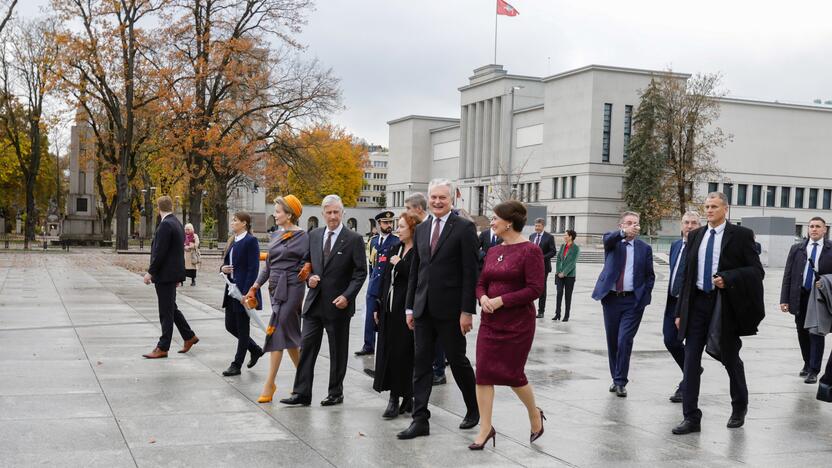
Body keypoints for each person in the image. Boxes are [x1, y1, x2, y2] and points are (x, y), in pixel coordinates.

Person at [672, 192, 765, 435]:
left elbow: (756, 272)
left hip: (724, 306)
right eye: (707, 206)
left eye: (714, 206)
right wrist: (680, 310)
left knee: (730, 358)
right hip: (697, 306)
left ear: (726, 209)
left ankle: (739, 406)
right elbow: (687, 276)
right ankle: (691, 417)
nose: (709, 210)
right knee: (691, 361)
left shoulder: (741, 236)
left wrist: (729, 278)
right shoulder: (695, 236)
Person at [397, 178, 479, 440]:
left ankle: (473, 408)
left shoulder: (464, 228)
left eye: (442, 197)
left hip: (451, 312)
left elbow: (470, 272)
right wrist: (410, 307)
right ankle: (420, 418)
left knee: (457, 361)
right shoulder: (422, 229)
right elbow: (416, 273)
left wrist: (467, 311)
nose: (437, 202)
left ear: (451, 198)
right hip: (423, 310)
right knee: (420, 364)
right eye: (433, 197)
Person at [470, 201, 546, 450]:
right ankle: (485, 427)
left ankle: (534, 413)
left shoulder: (530, 251)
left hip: (517, 324)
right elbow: (481, 281)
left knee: (513, 375)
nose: (491, 222)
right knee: (483, 374)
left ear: (509, 222)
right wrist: (482, 297)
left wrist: (501, 300)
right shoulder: (493, 250)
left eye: (494, 218)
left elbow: (535, 289)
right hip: (490, 323)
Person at [280, 195, 367, 407]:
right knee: (307, 348)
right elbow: (306, 262)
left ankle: (335, 392)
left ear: (343, 213)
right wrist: (309, 278)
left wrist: (347, 296)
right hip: (314, 303)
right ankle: (302, 393)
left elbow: (360, 273)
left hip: (338, 306)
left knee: (338, 351)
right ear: (323, 214)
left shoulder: (354, 239)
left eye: (336, 212)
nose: (333, 216)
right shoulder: (315, 235)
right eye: (329, 212)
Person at [246, 196, 309, 402]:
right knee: (290, 336)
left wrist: (308, 269)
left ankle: (269, 384)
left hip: (293, 288)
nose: (275, 214)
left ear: (289, 214)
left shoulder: (304, 237)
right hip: (275, 288)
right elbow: (269, 265)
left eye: (278, 211)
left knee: (278, 329)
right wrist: (255, 286)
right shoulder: (275, 235)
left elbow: (310, 262)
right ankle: (304, 379)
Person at [591, 211, 655, 397]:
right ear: (621, 226)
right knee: (613, 341)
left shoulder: (644, 248)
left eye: (636, 223)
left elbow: (650, 275)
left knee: (624, 340)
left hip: (632, 302)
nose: (633, 226)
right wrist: (623, 234)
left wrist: (644, 295)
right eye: (628, 223)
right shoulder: (613, 242)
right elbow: (607, 240)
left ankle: (620, 381)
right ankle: (615, 377)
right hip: (611, 299)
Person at [372, 212, 421, 419]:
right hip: (389, 309)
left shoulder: (418, 251)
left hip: (406, 310)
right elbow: (384, 278)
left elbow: (417, 276)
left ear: (412, 229)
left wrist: (400, 264)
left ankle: (403, 396)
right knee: (388, 351)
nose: (397, 229)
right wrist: (377, 303)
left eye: (401, 226)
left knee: (404, 354)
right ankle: (394, 395)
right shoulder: (395, 247)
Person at [142, 196, 198, 358]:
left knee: (165, 312)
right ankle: (189, 336)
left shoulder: (166, 224)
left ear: (158, 208)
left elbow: (160, 252)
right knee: (171, 308)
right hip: (171, 274)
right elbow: (177, 252)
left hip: (165, 275)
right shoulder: (177, 223)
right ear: (171, 207)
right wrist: (179, 276)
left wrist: (150, 272)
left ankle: (163, 347)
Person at [780, 216, 830, 384]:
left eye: (817, 226)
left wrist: (824, 281)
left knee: (816, 332)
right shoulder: (797, 249)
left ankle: (814, 370)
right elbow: (788, 275)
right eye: (811, 226)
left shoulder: (830, 249)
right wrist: (784, 299)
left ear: (825, 229)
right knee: (802, 332)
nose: (814, 229)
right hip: (800, 295)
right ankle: (807, 363)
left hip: (818, 297)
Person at [406, 193, 447, 386]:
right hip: (422, 296)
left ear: (418, 209)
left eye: (408, 208)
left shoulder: (437, 226)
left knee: (439, 339)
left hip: (441, 296)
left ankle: (439, 370)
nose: (407, 213)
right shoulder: (421, 229)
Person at [219, 211, 263, 377]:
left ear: (244, 223)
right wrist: (222, 268)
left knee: (243, 329)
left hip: (243, 292)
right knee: (230, 326)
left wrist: (247, 292)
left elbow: (253, 269)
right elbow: (226, 263)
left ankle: (236, 364)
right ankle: (255, 349)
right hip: (231, 290)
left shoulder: (250, 241)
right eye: (232, 219)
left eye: (236, 220)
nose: (232, 222)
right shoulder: (233, 240)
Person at [664, 212, 701, 402]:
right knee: (670, 341)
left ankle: (686, 384)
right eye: (686, 222)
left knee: (692, 347)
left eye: (694, 223)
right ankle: (694, 369)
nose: (689, 226)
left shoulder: (701, 247)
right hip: (673, 301)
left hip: (691, 305)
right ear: (681, 225)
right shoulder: (676, 245)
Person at [357, 211, 400, 356]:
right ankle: (368, 345)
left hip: (387, 284)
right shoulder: (373, 241)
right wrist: (371, 280)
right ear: (379, 224)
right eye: (386, 222)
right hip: (374, 283)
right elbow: (371, 263)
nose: (389, 225)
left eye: (390, 222)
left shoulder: (396, 241)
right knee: (370, 316)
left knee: (384, 316)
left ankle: (386, 345)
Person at [529, 218, 556, 318]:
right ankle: (529, 310)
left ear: (543, 226)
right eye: (535, 226)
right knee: (529, 287)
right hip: (531, 268)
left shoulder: (549, 237)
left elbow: (553, 251)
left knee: (542, 289)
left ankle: (541, 311)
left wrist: (541, 257)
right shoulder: (531, 236)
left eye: (538, 226)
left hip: (543, 267)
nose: (537, 228)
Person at [554, 229, 580, 321]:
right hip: (559, 275)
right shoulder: (562, 246)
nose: (564, 236)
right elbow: (558, 259)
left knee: (568, 296)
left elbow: (572, 263)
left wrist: (564, 273)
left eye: (566, 235)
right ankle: (557, 314)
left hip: (570, 276)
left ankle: (566, 315)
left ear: (570, 237)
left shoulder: (575, 248)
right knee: (559, 293)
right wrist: (558, 271)